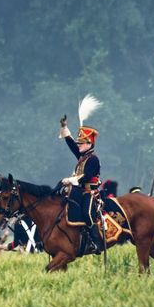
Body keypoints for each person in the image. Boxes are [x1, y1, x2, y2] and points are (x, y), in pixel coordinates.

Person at [59, 103, 103, 254]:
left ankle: (97, 244)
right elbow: (72, 145)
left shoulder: (93, 159)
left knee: (87, 213)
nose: (79, 145)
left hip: (91, 193)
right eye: (79, 143)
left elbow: (87, 177)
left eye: (82, 143)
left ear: (89, 144)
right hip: (79, 191)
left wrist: (71, 180)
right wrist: (65, 129)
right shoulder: (82, 156)